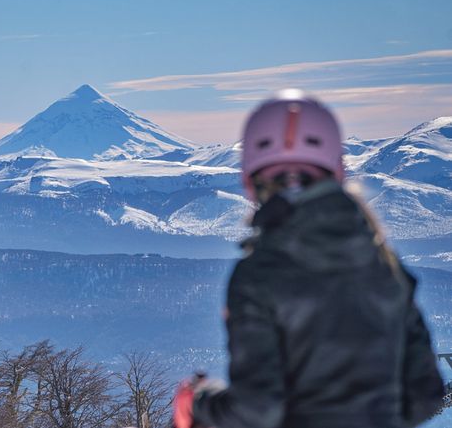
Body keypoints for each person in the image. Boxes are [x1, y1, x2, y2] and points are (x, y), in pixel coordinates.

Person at [173, 90, 444, 428]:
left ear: (250, 181)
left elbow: (258, 410)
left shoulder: (259, 274)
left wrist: (198, 402)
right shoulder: (384, 266)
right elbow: (425, 394)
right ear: (335, 171)